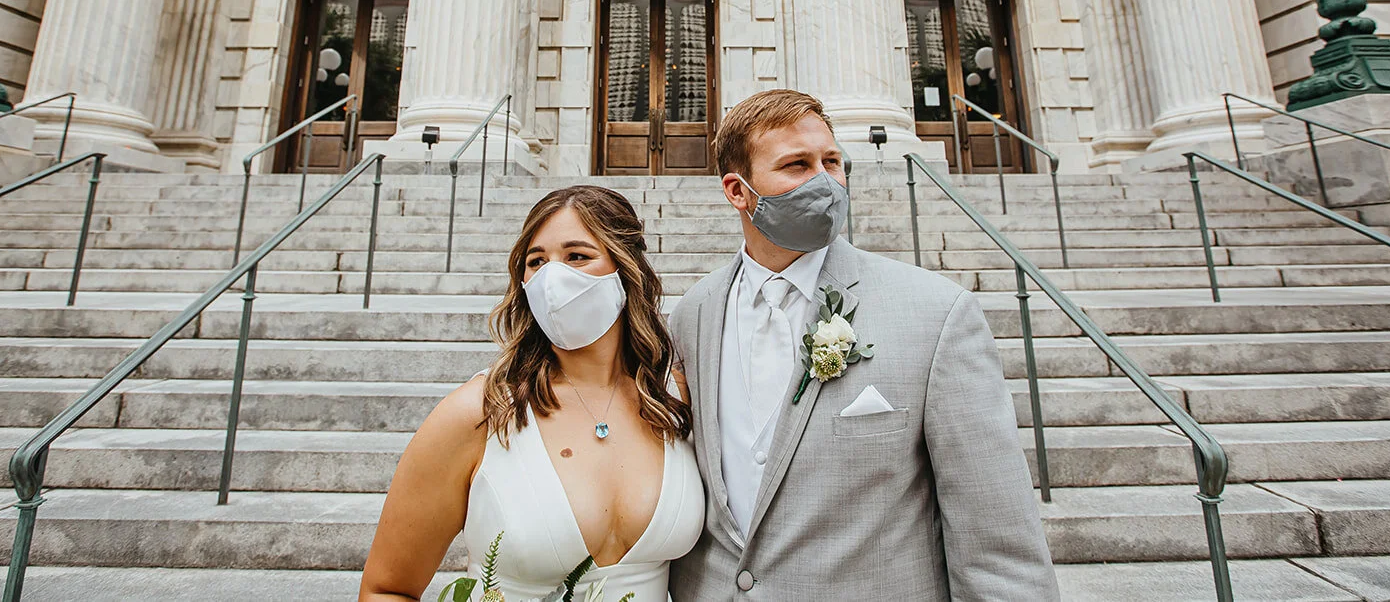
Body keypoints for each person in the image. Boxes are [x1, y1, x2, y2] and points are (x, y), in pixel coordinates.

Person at [668, 89, 1060, 601]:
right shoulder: (693, 313)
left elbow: (998, 543)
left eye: (832, 161)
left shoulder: (937, 314)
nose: (826, 181)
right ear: (737, 191)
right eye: (796, 165)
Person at [360, 185, 704, 602]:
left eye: (577, 256)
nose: (551, 277)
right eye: (536, 262)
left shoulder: (672, 403)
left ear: (625, 269)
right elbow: (386, 589)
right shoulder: (479, 413)